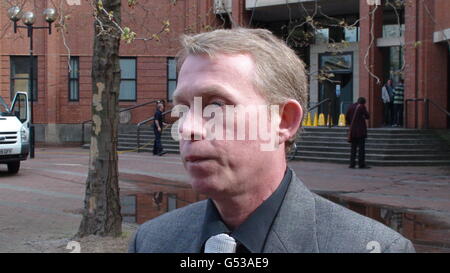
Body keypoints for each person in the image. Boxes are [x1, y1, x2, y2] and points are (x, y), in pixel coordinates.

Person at [129, 28, 414, 253]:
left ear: (284, 120)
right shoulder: (151, 241)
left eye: (216, 105)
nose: (187, 127)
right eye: (183, 108)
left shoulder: (370, 247)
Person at [346, 97, 370, 169]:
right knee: (361, 149)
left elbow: (346, 117)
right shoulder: (362, 107)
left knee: (353, 148)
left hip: (353, 131)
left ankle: (352, 164)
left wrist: (350, 123)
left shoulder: (351, 106)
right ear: (363, 103)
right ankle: (361, 164)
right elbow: (367, 116)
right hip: (360, 131)